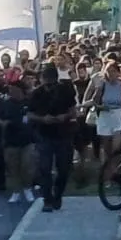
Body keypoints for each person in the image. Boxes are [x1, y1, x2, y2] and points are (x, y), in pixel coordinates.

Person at [29, 63, 80, 212]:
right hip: (43, 133)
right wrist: (43, 119)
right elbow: (30, 114)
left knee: (64, 169)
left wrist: (64, 116)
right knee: (44, 168)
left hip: (63, 133)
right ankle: (47, 199)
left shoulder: (65, 90)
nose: (48, 86)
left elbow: (73, 110)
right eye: (46, 83)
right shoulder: (36, 93)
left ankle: (58, 194)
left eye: (51, 83)